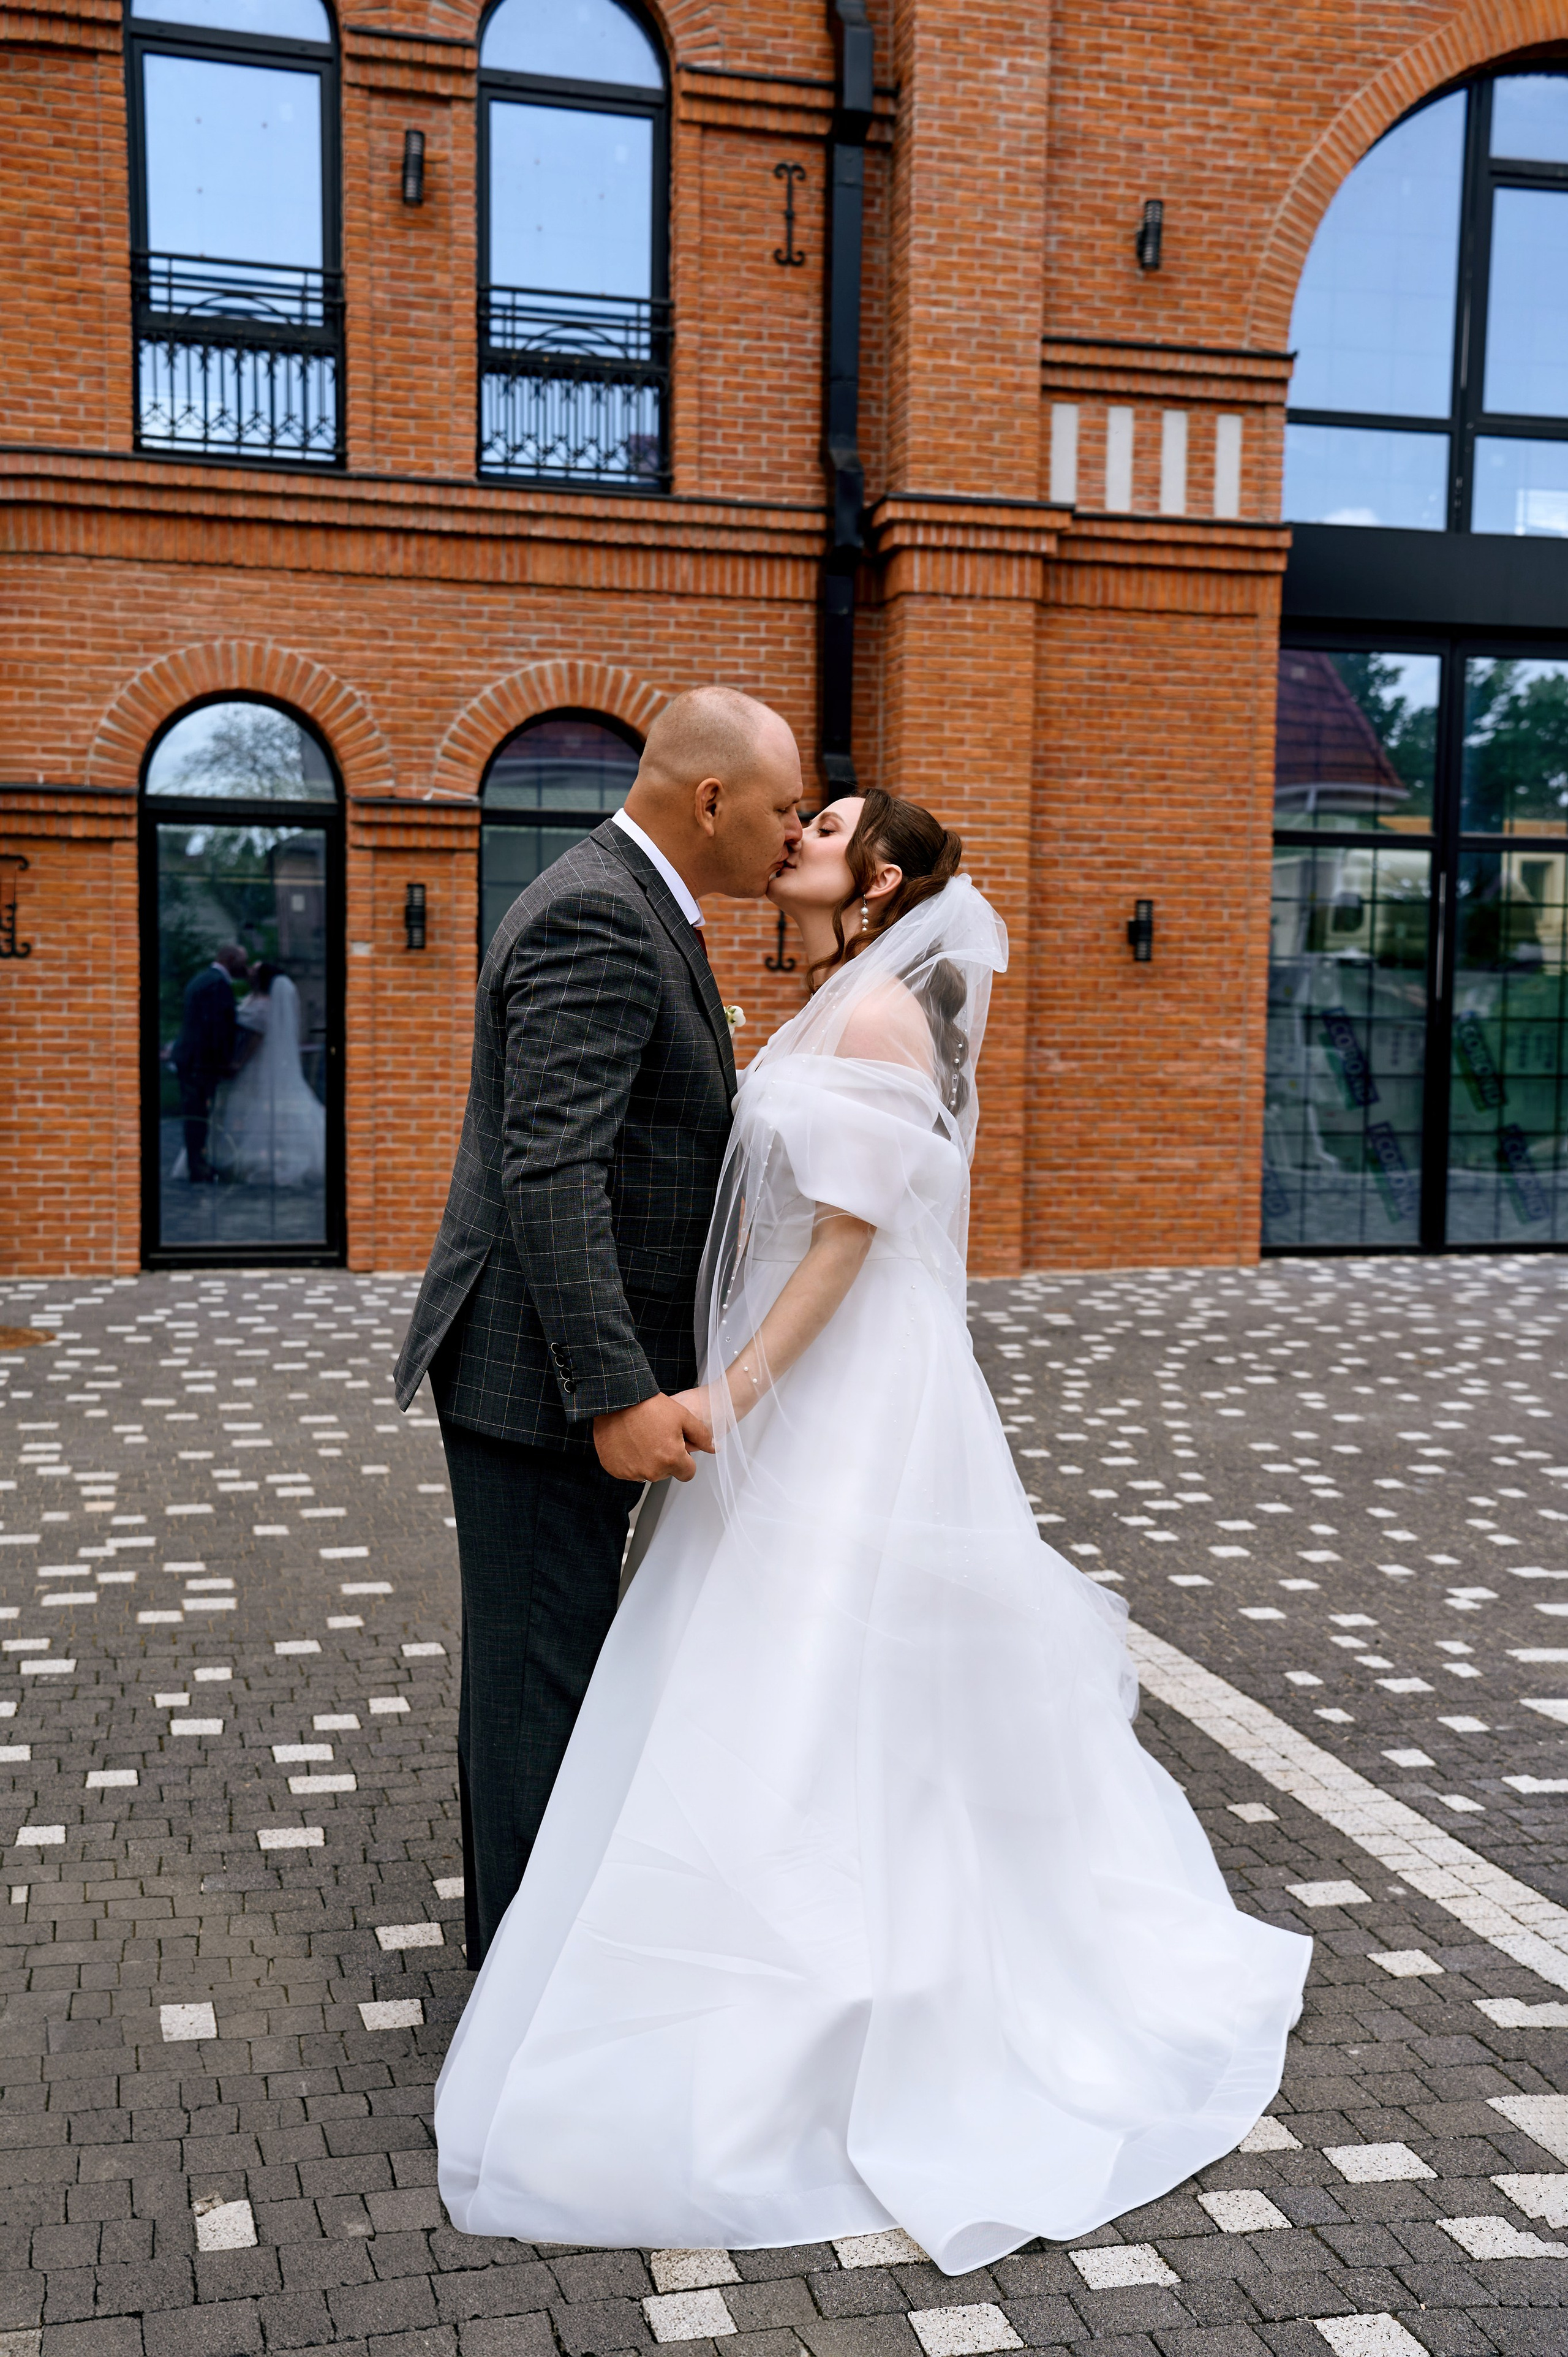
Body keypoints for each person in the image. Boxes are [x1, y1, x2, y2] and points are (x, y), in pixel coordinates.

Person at [432, 790, 1311, 2269]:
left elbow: (843, 1246)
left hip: (845, 1397)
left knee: (822, 1672)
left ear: (881, 872)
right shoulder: (836, 998)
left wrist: (736, 1388)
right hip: (805, 1383)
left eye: (822, 822)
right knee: (755, 1670)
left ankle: (853, 1978)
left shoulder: (876, 1022)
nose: (793, 832)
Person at [394, 685, 806, 1970]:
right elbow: (551, 1170)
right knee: (533, 1689)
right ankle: (516, 1997)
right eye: (783, 807)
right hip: (539, 1387)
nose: (792, 834)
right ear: (710, 799)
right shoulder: (598, 914)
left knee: (553, 1674)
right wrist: (616, 1392)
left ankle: (537, 1965)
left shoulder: (634, 905)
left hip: (555, 1377)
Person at [209, 964, 326, 1188]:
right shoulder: (256, 1000)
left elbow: (256, 1037)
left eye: (254, 971)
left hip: (256, 1063)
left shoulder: (264, 1006)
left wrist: (239, 1062)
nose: (249, 973)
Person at [168, 943, 247, 1183]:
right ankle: (197, 1166)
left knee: (197, 1114)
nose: (243, 967)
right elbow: (216, 1029)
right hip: (200, 1063)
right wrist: (225, 1062)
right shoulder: (216, 984)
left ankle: (198, 1163)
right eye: (241, 962)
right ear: (230, 958)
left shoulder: (204, 980)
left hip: (194, 1060)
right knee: (197, 1115)